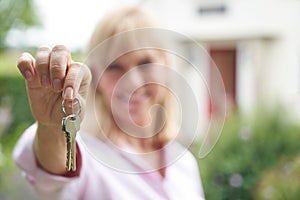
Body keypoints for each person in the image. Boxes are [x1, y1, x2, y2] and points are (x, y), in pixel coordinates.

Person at [13, 6, 205, 200]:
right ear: (97, 77)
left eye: (145, 63)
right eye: (114, 67)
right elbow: (53, 173)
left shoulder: (184, 163)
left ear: (166, 65)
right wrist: (51, 128)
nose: (133, 82)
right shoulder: (85, 154)